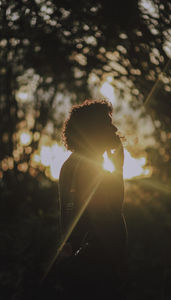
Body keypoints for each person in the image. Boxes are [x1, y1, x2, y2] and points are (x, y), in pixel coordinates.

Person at [58, 99, 128, 299]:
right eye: (107, 124)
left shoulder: (69, 165)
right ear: (93, 129)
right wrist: (118, 266)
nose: (114, 128)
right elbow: (108, 217)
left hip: (75, 266)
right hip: (97, 272)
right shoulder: (91, 168)